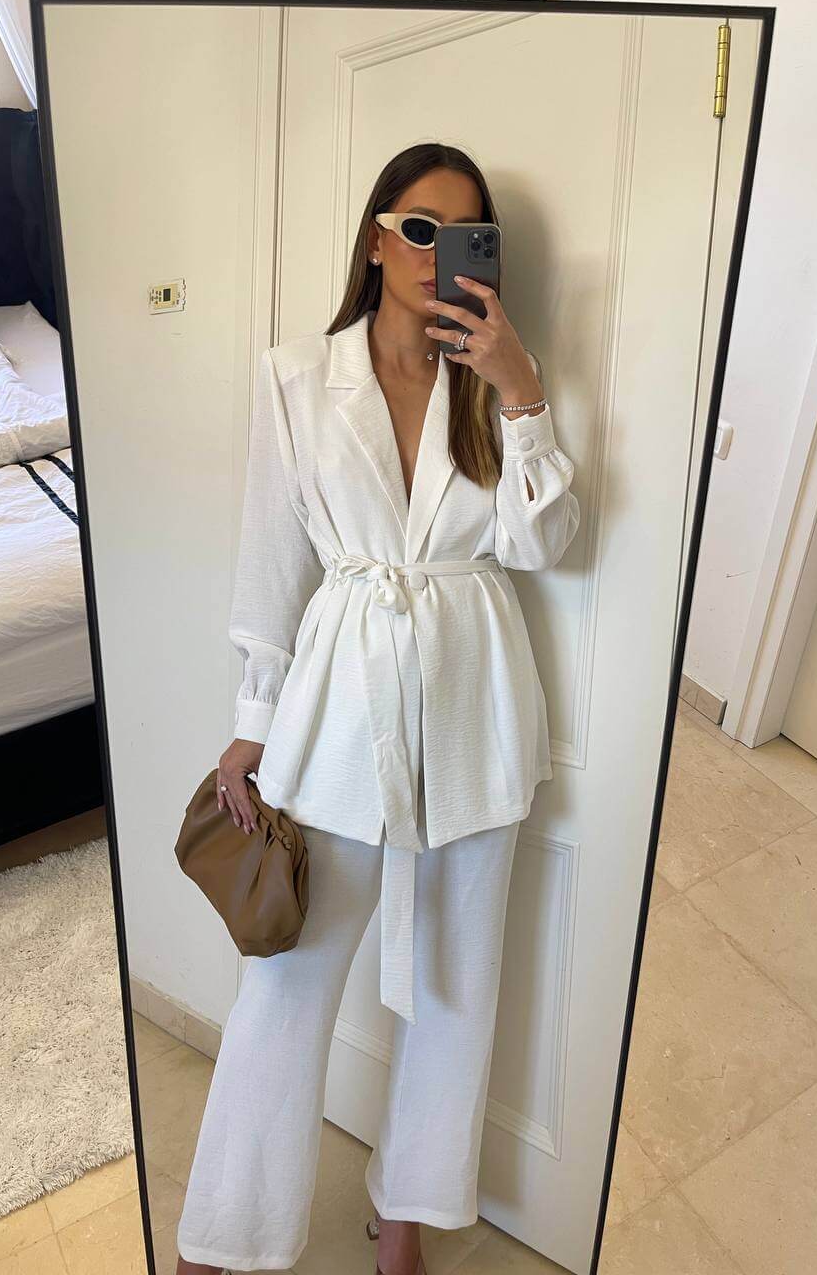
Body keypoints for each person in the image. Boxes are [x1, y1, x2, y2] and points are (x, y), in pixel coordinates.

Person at [175, 142, 581, 1275]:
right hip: (341, 707)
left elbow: (541, 544)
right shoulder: (297, 376)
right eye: (418, 228)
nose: (434, 253)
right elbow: (271, 562)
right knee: (286, 984)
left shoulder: (495, 380)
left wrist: (522, 388)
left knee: (455, 986)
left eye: (461, 233)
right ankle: (226, 1235)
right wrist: (254, 722)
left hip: (473, 704)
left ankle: (405, 1220)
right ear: (375, 238)